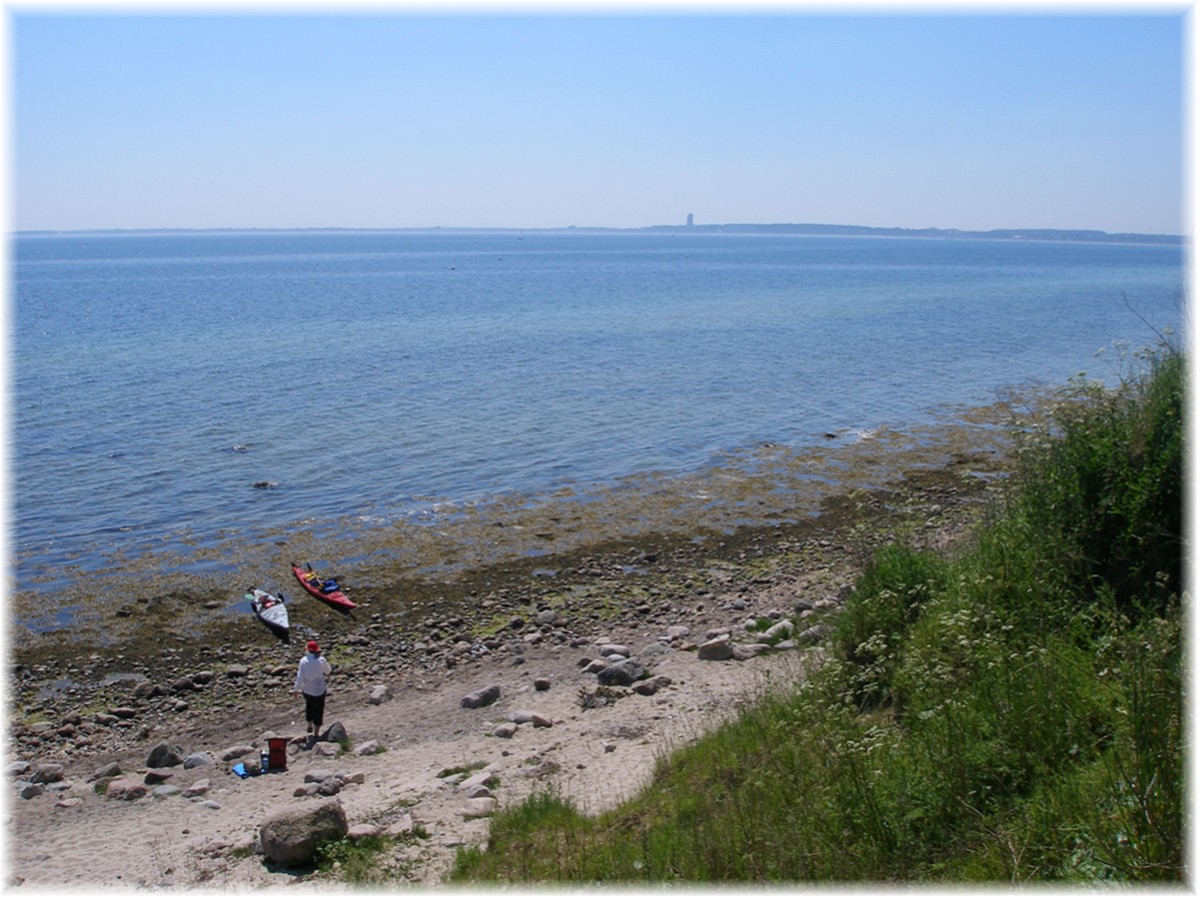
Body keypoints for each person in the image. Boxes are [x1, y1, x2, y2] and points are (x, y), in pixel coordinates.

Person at [292, 640, 332, 749]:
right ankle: (316, 733)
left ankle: (309, 724)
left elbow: (300, 677)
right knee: (319, 710)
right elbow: (328, 671)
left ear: (308, 650)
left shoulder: (303, 661)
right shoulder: (321, 660)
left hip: (307, 690)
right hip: (319, 690)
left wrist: (295, 690)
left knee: (309, 706)